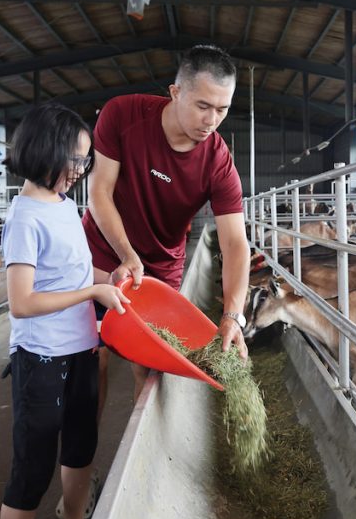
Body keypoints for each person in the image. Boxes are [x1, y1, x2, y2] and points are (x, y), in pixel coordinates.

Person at [0, 103, 131, 519]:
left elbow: (74, 274)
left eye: (84, 161)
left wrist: (108, 276)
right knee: (31, 472)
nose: (79, 171)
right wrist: (93, 293)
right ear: (44, 151)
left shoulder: (65, 206)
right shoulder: (25, 217)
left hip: (81, 350)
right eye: (74, 160)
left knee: (80, 446)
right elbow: (23, 302)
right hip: (41, 359)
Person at [83, 44, 252, 403]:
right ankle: (84, 457)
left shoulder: (218, 162)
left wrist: (233, 315)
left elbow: (235, 243)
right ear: (176, 93)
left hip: (159, 274)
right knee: (91, 362)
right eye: (203, 106)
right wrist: (125, 254)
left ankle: (138, 450)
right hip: (102, 260)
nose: (211, 121)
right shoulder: (123, 115)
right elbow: (99, 193)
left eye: (222, 109)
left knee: (148, 370)